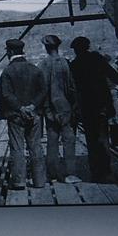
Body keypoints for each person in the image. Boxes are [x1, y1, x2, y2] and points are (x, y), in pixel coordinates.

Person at [69, 36, 118, 182]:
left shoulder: (74, 64)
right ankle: (106, 171)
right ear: (88, 46)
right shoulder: (97, 59)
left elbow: (73, 89)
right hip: (101, 105)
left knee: (91, 140)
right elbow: (114, 76)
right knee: (103, 138)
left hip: (86, 107)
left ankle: (96, 172)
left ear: (76, 50)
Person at [0, 37, 49, 189]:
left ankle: (19, 181)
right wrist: (32, 107)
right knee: (36, 147)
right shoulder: (35, 69)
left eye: (7, 51)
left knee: (17, 148)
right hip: (35, 115)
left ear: (10, 51)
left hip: (16, 117)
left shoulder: (7, 72)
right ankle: (39, 181)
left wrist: (20, 108)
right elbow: (43, 91)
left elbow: (6, 94)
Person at [36, 33, 80, 183]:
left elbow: (40, 89)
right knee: (69, 141)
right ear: (58, 46)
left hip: (49, 109)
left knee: (52, 142)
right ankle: (70, 174)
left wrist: (44, 108)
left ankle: (53, 175)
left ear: (46, 47)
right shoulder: (66, 63)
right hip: (66, 108)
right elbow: (73, 88)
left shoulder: (42, 65)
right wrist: (74, 105)